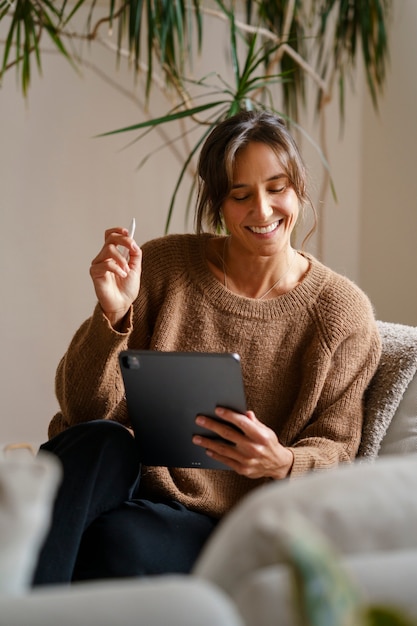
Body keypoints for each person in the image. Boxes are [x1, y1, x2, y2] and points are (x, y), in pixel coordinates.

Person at [33, 110, 381, 585]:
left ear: (299, 189)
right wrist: (113, 317)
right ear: (218, 204)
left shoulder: (342, 314)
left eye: (277, 188)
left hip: (221, 521)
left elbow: (339, 450)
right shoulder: (161, 266)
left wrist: (284, 462)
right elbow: (80, 409)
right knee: (99, 441)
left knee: (117, 544)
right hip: (128, 475)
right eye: (241, 195)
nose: (262, 211)